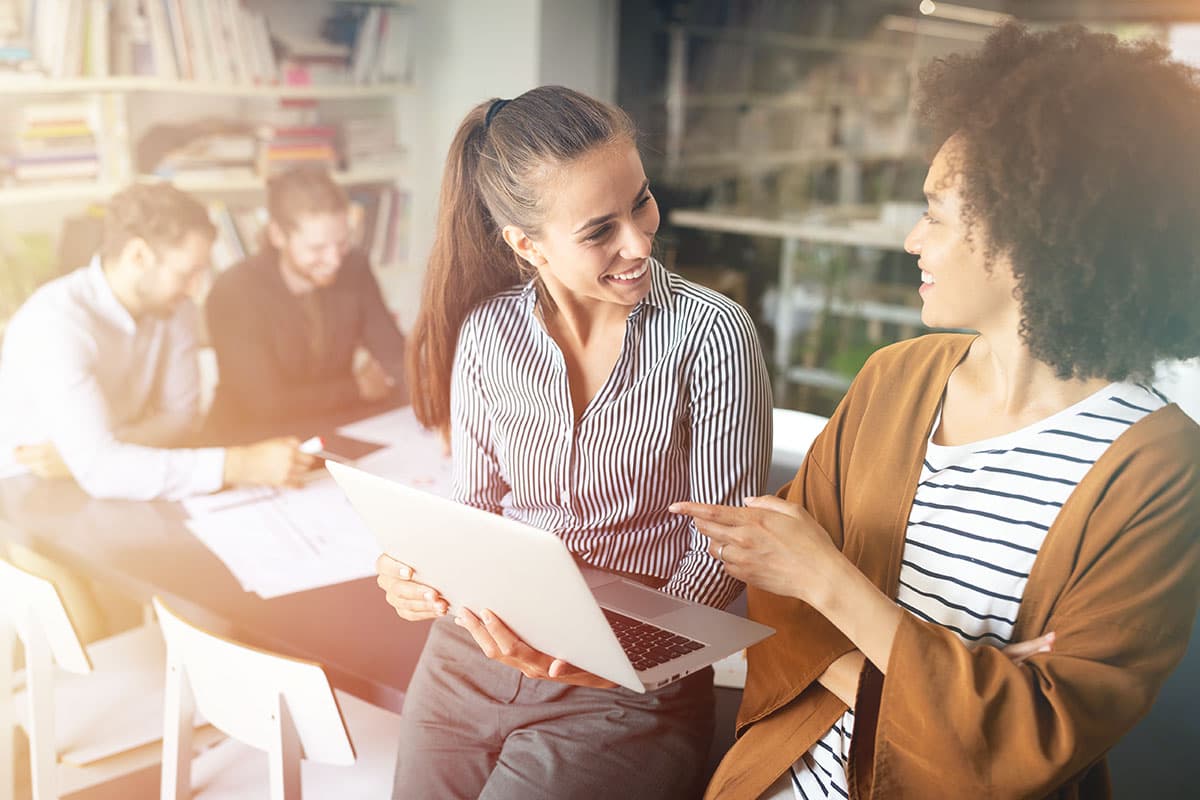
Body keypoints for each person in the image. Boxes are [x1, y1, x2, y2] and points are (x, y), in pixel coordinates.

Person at [671, 24, 1200, 800]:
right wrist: (945, 690)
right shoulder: (894, 380)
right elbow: (774, 583)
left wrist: (836, 586)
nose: (914, 239)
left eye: (938, 214)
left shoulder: (1156, 469)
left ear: (1034, 232)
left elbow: (1033, 741)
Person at [375, 86, 773, 799]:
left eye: (641, 203)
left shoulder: (712, 335)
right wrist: (420, 570)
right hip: (472, 653)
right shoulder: (488, 335)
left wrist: (634, 658)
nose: (640, 241)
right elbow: (476, 509)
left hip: (627, 679)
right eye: (600, 231)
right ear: (526, 245)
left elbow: (725, 544)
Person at [0, 182, 315, 501]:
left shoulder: (176, 308)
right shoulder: (55, 324)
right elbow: (101, 471)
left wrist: (91, 454)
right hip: (25, 488)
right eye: (186, 273)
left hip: (122, 476)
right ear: (138, 256)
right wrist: (239, 463)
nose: (195, 289)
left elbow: (179, 418)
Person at [204, 167, 406, 432]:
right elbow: (266, 403)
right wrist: (357, 388)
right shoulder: (235, 290)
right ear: (278, 235)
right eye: (317, 248)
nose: (334, 260)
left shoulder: (354, 268)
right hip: (257, 439)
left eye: (342, 243)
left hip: (336, 425)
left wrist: (437, 410)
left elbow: (396, 357)